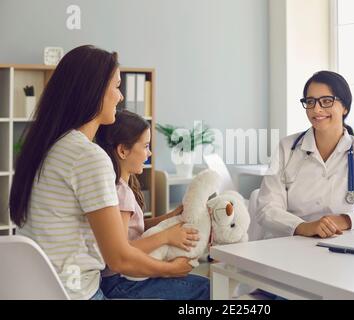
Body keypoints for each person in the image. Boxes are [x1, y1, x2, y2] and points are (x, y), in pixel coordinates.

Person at [9, 45, 208, 300]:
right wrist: (170, 270)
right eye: (116, 86)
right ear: (94, 92)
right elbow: (120, 258)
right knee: (207, 290)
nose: (121, 96)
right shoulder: (88, 157)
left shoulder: (47, 147)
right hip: (77, 293)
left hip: (39, 289)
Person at [255, 70, 354, 240]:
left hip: (337, 245)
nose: (317, 109)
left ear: (345, 107)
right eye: (310, 101)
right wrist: (303, 227)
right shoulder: (286, 147)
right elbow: (266, 208)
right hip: (289, 242)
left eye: (326, 101)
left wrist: (346, 220)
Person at [95, 110, 209, 299]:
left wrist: (168, 217)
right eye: (146, 146)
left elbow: (135, 227)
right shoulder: (121, 193)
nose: (149, 153)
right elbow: (125, 248)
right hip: (123, 283)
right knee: (206, 289)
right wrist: (167, 236)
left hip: (122, 280)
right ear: (123, 150)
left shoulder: (120, 188)